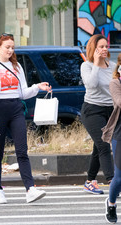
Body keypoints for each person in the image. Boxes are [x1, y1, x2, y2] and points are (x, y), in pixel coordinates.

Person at [0, 33, 50, 204]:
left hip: (16, 109)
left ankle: (30, 189)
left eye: (13, 47)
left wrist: (37, 87)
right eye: (7, 47)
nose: (10, 50)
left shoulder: (16, 66)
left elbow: (22, 93)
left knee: (22, 150)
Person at [80, 34, 116, 195]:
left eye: (106, 46)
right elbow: (92, 84)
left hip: (111, 111)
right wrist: (96, 63)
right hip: (92, 110)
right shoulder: (86, 66)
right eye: (100, 47)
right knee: (103, 145)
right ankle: (113, 181)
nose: (104, 49)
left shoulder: (113, 66)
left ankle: (90, 181)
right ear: (93, 49)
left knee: (98, 147)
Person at [102, 53, 121, 224]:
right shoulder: (115, 83)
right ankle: (112, 203)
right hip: (120, 134)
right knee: (120, 176)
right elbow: (120, 102)